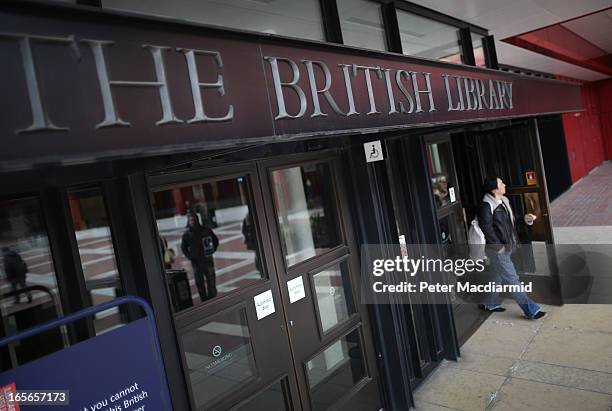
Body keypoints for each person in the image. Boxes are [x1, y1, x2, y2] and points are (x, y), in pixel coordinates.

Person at [476, 176, 546, 319]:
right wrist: (498, 247)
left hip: (505, 246)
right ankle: (531, 310)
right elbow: (486, 228)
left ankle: (488, 302)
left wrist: (526, 218)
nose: (504, 184)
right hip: (497, 249)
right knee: (513, 279)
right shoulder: (486, 205)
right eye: (501, 183)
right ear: (494, 188)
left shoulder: (504, 201)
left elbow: (511, 219)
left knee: (496, 275)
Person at [181, 213, 219, 301]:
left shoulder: (206, 230)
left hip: (207, 260)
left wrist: (212, 250)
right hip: (196, 262)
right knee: (199, 282)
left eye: (194, 220)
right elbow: (183, 248)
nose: (193, 222)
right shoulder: (187, 234)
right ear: (189, 222)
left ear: (198, 220)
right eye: (191, 220)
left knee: (211, 279)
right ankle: (204, 299)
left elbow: (215, 240)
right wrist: (190, 256)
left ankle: (212, 297)